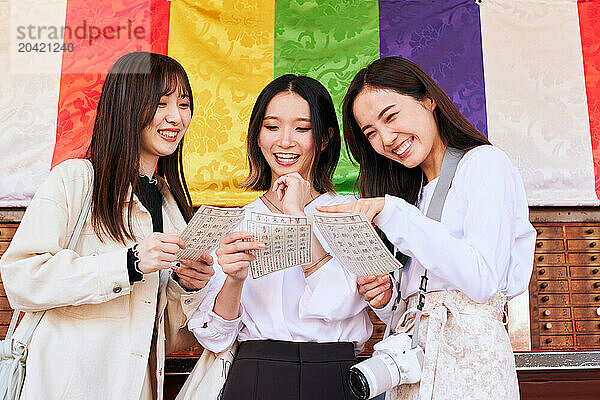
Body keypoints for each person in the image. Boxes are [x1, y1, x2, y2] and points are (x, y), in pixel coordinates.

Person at [318, 57, 536, 399]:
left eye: (391, 117)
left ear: (428, 100)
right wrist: (388, 297)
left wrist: (393, 213)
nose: (386, 139)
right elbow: (417, 299)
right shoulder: (413, 194)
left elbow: (482, 280)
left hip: (470, 362)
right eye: (370, 132)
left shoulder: (484, 164)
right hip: (413, 365)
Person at [0, 52, 215, 400]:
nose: (176, 117)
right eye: (161, 103)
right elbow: (21, 278)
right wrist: (128, 264)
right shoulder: (76, 180)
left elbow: (168, 337)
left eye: (184, 104)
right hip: (63, 387)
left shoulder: (171, 207)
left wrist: (184, 288)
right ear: (127, 106)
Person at [188, 74, 375, 400]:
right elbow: (215, 338)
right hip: (256, 373)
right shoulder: (235, 222)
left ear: (325, 137)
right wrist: (234, 279)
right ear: (257, 136)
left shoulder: (352, 213)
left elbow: (341, 302)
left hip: (335, 373)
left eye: (302, 128)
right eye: (272, 127)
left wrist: (297, 216)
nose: (285, 141)